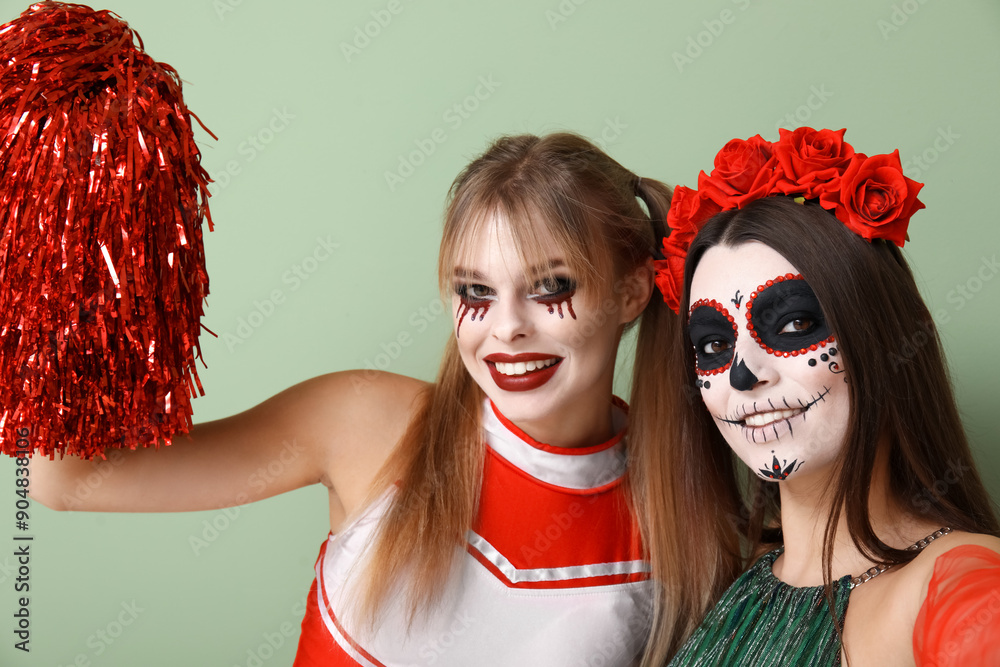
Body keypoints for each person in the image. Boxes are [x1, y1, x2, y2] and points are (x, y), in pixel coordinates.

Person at [31, 131, 687, 665]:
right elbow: (71, 479)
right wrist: (72, 243)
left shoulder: (682, 526)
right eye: (475, 292)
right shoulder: (365, 421)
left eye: (550, 286)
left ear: (631, 291)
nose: (506, 327)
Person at [648, 127, 1000, 666]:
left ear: (881, 337)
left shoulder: (961, 581)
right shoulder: (738, 585)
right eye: (714, 343)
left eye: (792, 324)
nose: (743, 375)